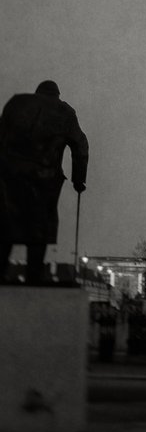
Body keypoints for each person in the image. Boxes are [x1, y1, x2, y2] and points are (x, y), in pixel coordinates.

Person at [0, 80, 88, 284]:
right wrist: (78, 179)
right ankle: (33, 276)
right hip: (44, 177)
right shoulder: (64, 111)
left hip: (10, 174)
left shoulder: (16, 103)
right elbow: (80, 145)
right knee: (39, 226)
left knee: (6, 223)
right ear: (56, 95)